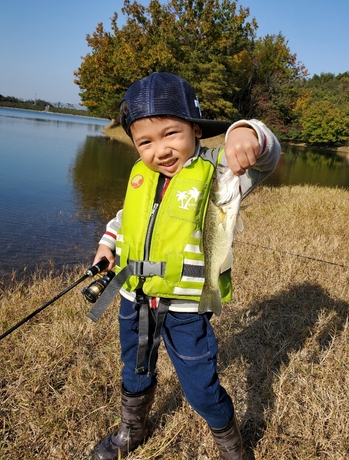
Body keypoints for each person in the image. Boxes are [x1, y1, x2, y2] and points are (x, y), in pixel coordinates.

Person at [90, 72, 281, 460]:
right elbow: (129, 216)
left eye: (171, 134)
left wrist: (247, 132)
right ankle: (132, 428)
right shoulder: (142, 175)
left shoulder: (219, 172)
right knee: (134, 368)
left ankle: (231, 444)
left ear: (195, 130)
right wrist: (108, 243)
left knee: (200, 383)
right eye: (145, 141)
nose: (160, 150)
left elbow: (267, 160)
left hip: (187, 307)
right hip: (135, 297)